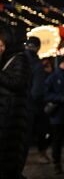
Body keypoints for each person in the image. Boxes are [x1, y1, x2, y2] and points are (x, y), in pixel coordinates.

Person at [0, 25, 30, 179]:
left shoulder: (20, 59)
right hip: (6, 116)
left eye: (1, 44)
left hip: (13, 118)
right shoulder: (6, 59)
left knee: (9, 164)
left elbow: (17, 82)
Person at [22, 36, 48, 165]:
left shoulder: (18, 58)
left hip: (15, 103)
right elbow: (37, 91)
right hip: (31, 106)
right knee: (35, 132)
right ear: (38, 48)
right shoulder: (37, 64)